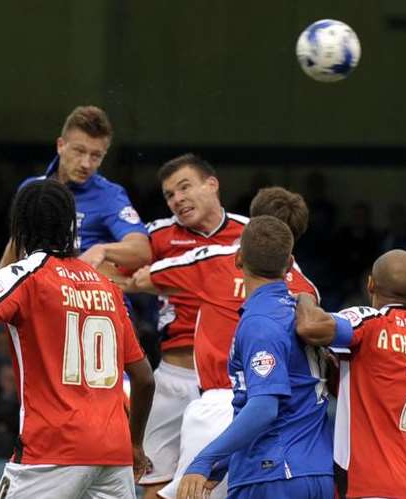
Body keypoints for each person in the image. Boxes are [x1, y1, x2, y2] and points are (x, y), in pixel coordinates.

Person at [0, 179, 155, 498]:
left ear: (21, 227)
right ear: (70, 224)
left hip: (52, 451)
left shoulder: (28, 274)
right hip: (113, 455)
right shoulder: (106, 287)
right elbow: (144, 378)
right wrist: (135, 443)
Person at [122, 187, 318, 499]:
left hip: (219, 405)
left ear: (248, 227)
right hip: (281, 422)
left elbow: (141, 278)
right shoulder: (308, 292)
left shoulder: (218, 259)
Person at [177, 216, 333, 499]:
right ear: (289, 264)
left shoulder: (261, 322)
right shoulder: (301, 314)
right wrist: (223, 464)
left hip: (273, 471)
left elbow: (264, 407)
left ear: (238, 259)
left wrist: (206, 458)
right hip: (316, 472)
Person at [133, 154, 248, 497]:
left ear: (211, 184)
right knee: (154, 483)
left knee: (216, 486)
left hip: (229, 382)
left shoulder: (251, 233)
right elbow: (117, 276)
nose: (177, 199)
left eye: (185, 187)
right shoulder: (158, 235)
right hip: (173, 376)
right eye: (169, 195)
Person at [295, 249, 406, 498]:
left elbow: (309, 327)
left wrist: (305, 296)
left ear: (370, 283)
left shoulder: (370, 320)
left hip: (376, 485)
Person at [0, 105, 151, 274]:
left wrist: (102, 250)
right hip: (42, 288)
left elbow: (141, 250)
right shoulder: (30, 189)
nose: (86, 164)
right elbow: (15, 244)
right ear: (61, 145)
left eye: (96, 155)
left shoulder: (110, 195)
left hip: (88, 293)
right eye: (79, 151)